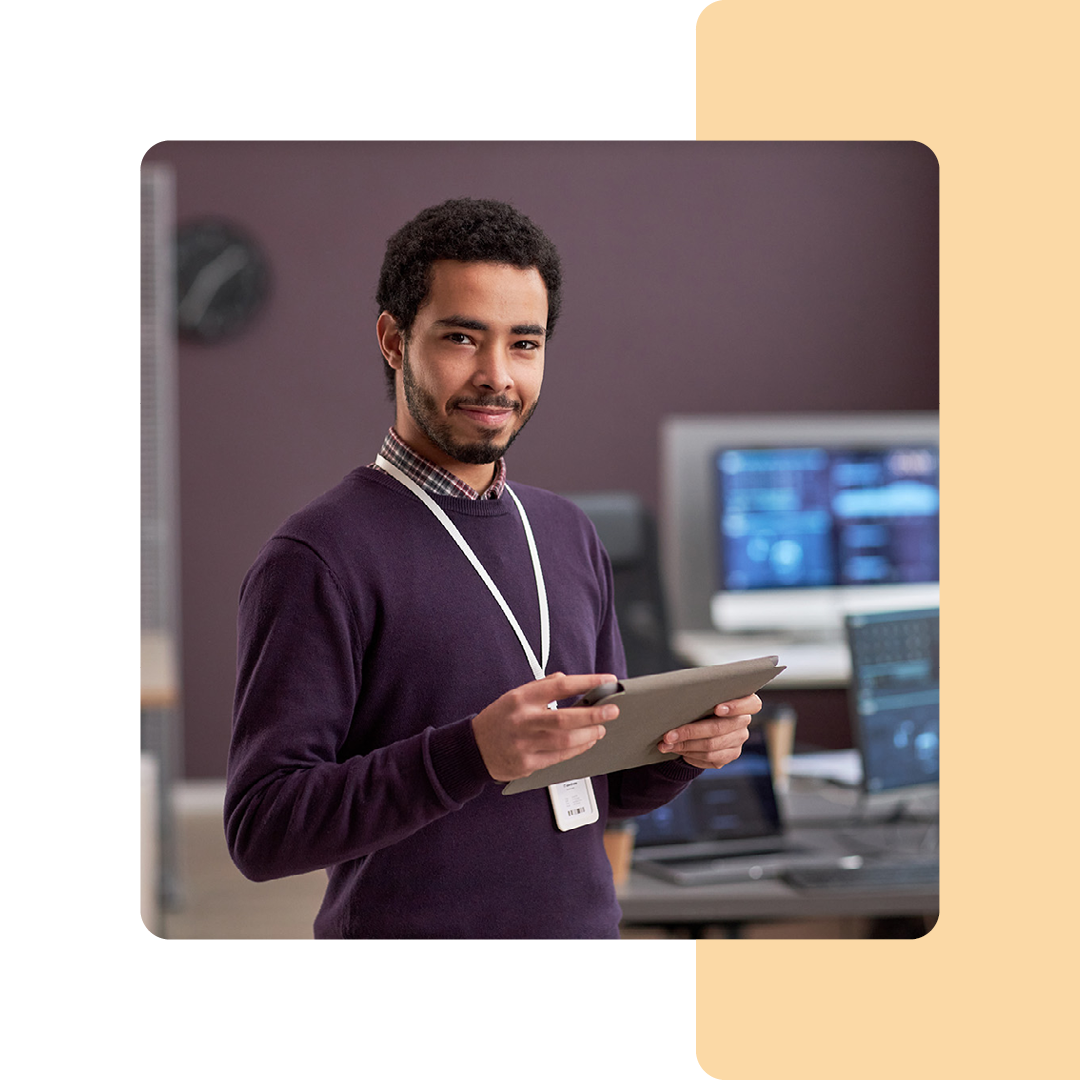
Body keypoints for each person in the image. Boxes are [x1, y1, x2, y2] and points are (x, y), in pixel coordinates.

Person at [225, 198, 760, 938]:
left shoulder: (568, 532)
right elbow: (262, 830)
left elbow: (594, 781)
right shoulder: (318, 557)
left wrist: (682, 750)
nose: (496, 376)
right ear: (393, 339)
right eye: (461, 338)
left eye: (524, 343)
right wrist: (471, 752)